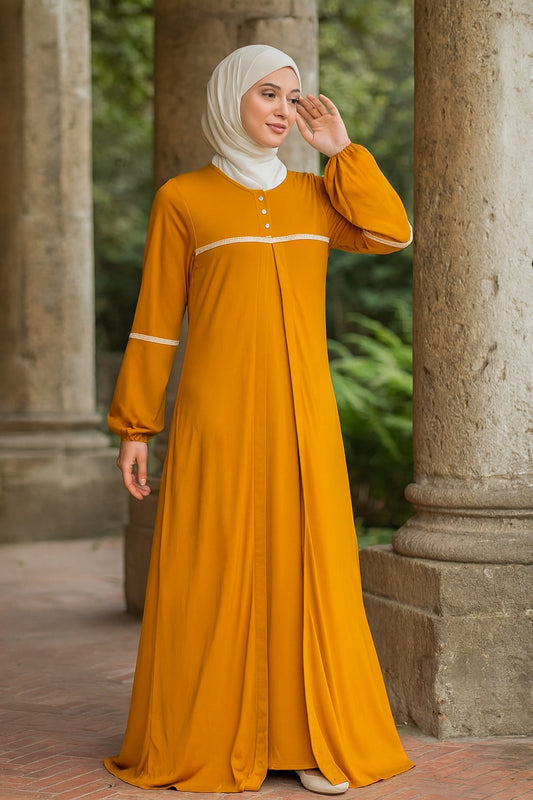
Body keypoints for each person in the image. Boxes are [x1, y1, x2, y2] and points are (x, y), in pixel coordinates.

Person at [104, 44, 414, 795]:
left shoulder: (316, 197)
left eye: (293, 96)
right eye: (267, 94)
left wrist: (340, 153)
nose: (282, 110)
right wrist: (136, 426)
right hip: (217, 417)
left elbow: (391, 232)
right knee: (215, 569)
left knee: (305, 568)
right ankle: (213, 733)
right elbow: (155, 323)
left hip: (303, 416)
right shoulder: (184, 199)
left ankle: (307, 739)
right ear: (229, 100)